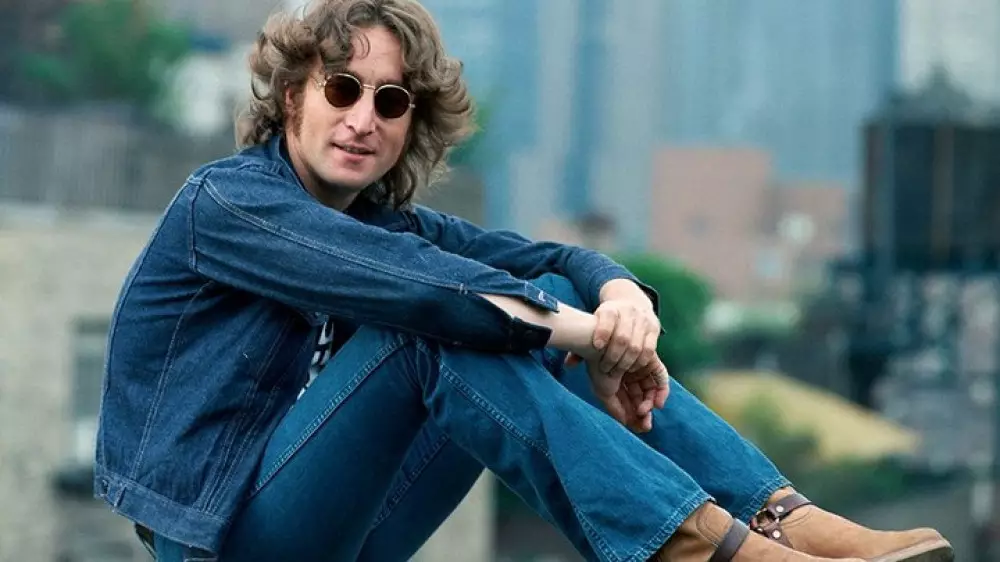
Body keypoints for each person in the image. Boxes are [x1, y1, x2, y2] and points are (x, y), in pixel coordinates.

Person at [94, 1, 953, 561]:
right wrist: (588, 337)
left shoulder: (388, 225)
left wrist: (619, 299)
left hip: (349, 529)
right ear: (293, 99)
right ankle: (693, 545)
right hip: (227, 539)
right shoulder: (227, 204)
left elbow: (549, 262)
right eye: (343, 89)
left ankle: (778, 517)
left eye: (390, 102)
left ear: (410, 124)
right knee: (438, 329)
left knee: (534, 306)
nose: (362, 119)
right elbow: (431, 296)